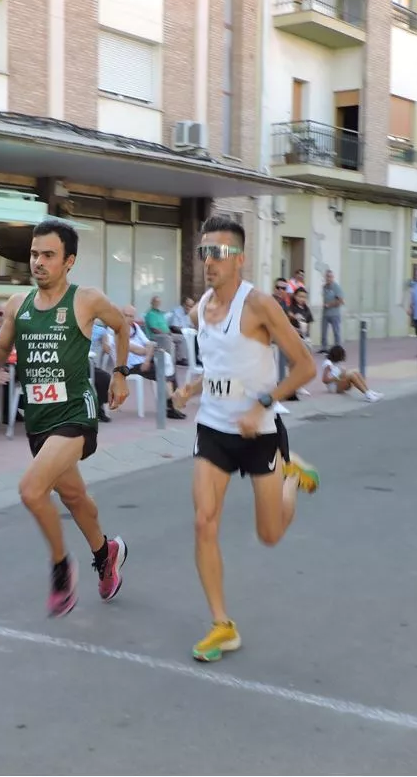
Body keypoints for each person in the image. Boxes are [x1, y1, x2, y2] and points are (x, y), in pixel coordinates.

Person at [169, 215, 320, 663]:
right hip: (213, 429)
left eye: (218, 253)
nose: (209, 261)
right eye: (204, 252)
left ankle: (290, 478)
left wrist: (263, 404)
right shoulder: (201, 309)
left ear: (240, 259)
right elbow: (219, 368)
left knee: (269, 534)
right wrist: (191, 388)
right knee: (203, 522)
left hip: (260, 434)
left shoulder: (259, 305)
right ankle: (222, 625)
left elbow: (305, 367)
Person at [0, 217, 132, 617]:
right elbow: (0, 353)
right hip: (39, 419)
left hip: (75, 412)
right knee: (73, 497)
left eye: (48, 255)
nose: (38, 262)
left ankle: (61, 568)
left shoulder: (85, 300)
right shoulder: (17, 305)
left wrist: (121, 373)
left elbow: (122, 326)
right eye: (34, 254)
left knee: (31, 490)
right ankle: (106, 553)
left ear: (69, 261)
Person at [320, 270, 344, 353]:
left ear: (333, 278)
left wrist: (329, 305)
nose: (328, 278)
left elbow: (340, 301)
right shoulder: (324, 287)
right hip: (325, 313)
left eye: (330, 277)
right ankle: (324, 347)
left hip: (334, 314)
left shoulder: (336, 287)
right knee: (324, 332)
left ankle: (338, 347)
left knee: (336, 332)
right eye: (327, 276)